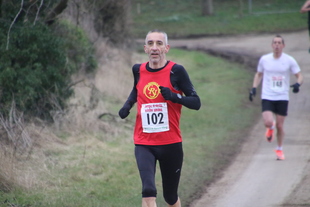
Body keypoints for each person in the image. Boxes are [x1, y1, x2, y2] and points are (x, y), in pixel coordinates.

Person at [118, 30, 201, 207]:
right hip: (144, 142)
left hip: (170, 143)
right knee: (148, 192)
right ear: (145, 48)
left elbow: (196, 102)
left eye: (159, 43)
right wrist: (127, 105)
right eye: (150, 43)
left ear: (166, 48)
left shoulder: (176, 71)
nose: (154, 47)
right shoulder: (138, 70)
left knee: (170, 197)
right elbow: (136, 89)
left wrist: (174, 96)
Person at [249, 34, 303, 160]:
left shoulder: (289, 60)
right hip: (267, 95)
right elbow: (259, 74)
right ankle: (270, 127)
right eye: (275, 43)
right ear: (272, 45)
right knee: (268, 121)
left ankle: (279, 149)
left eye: (279, 43)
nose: (277, 45)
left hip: (282, 96)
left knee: (280, 125)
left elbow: (299, 75)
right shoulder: (265, 59)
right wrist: (254, 88)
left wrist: (297, 84)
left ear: (283, 46)